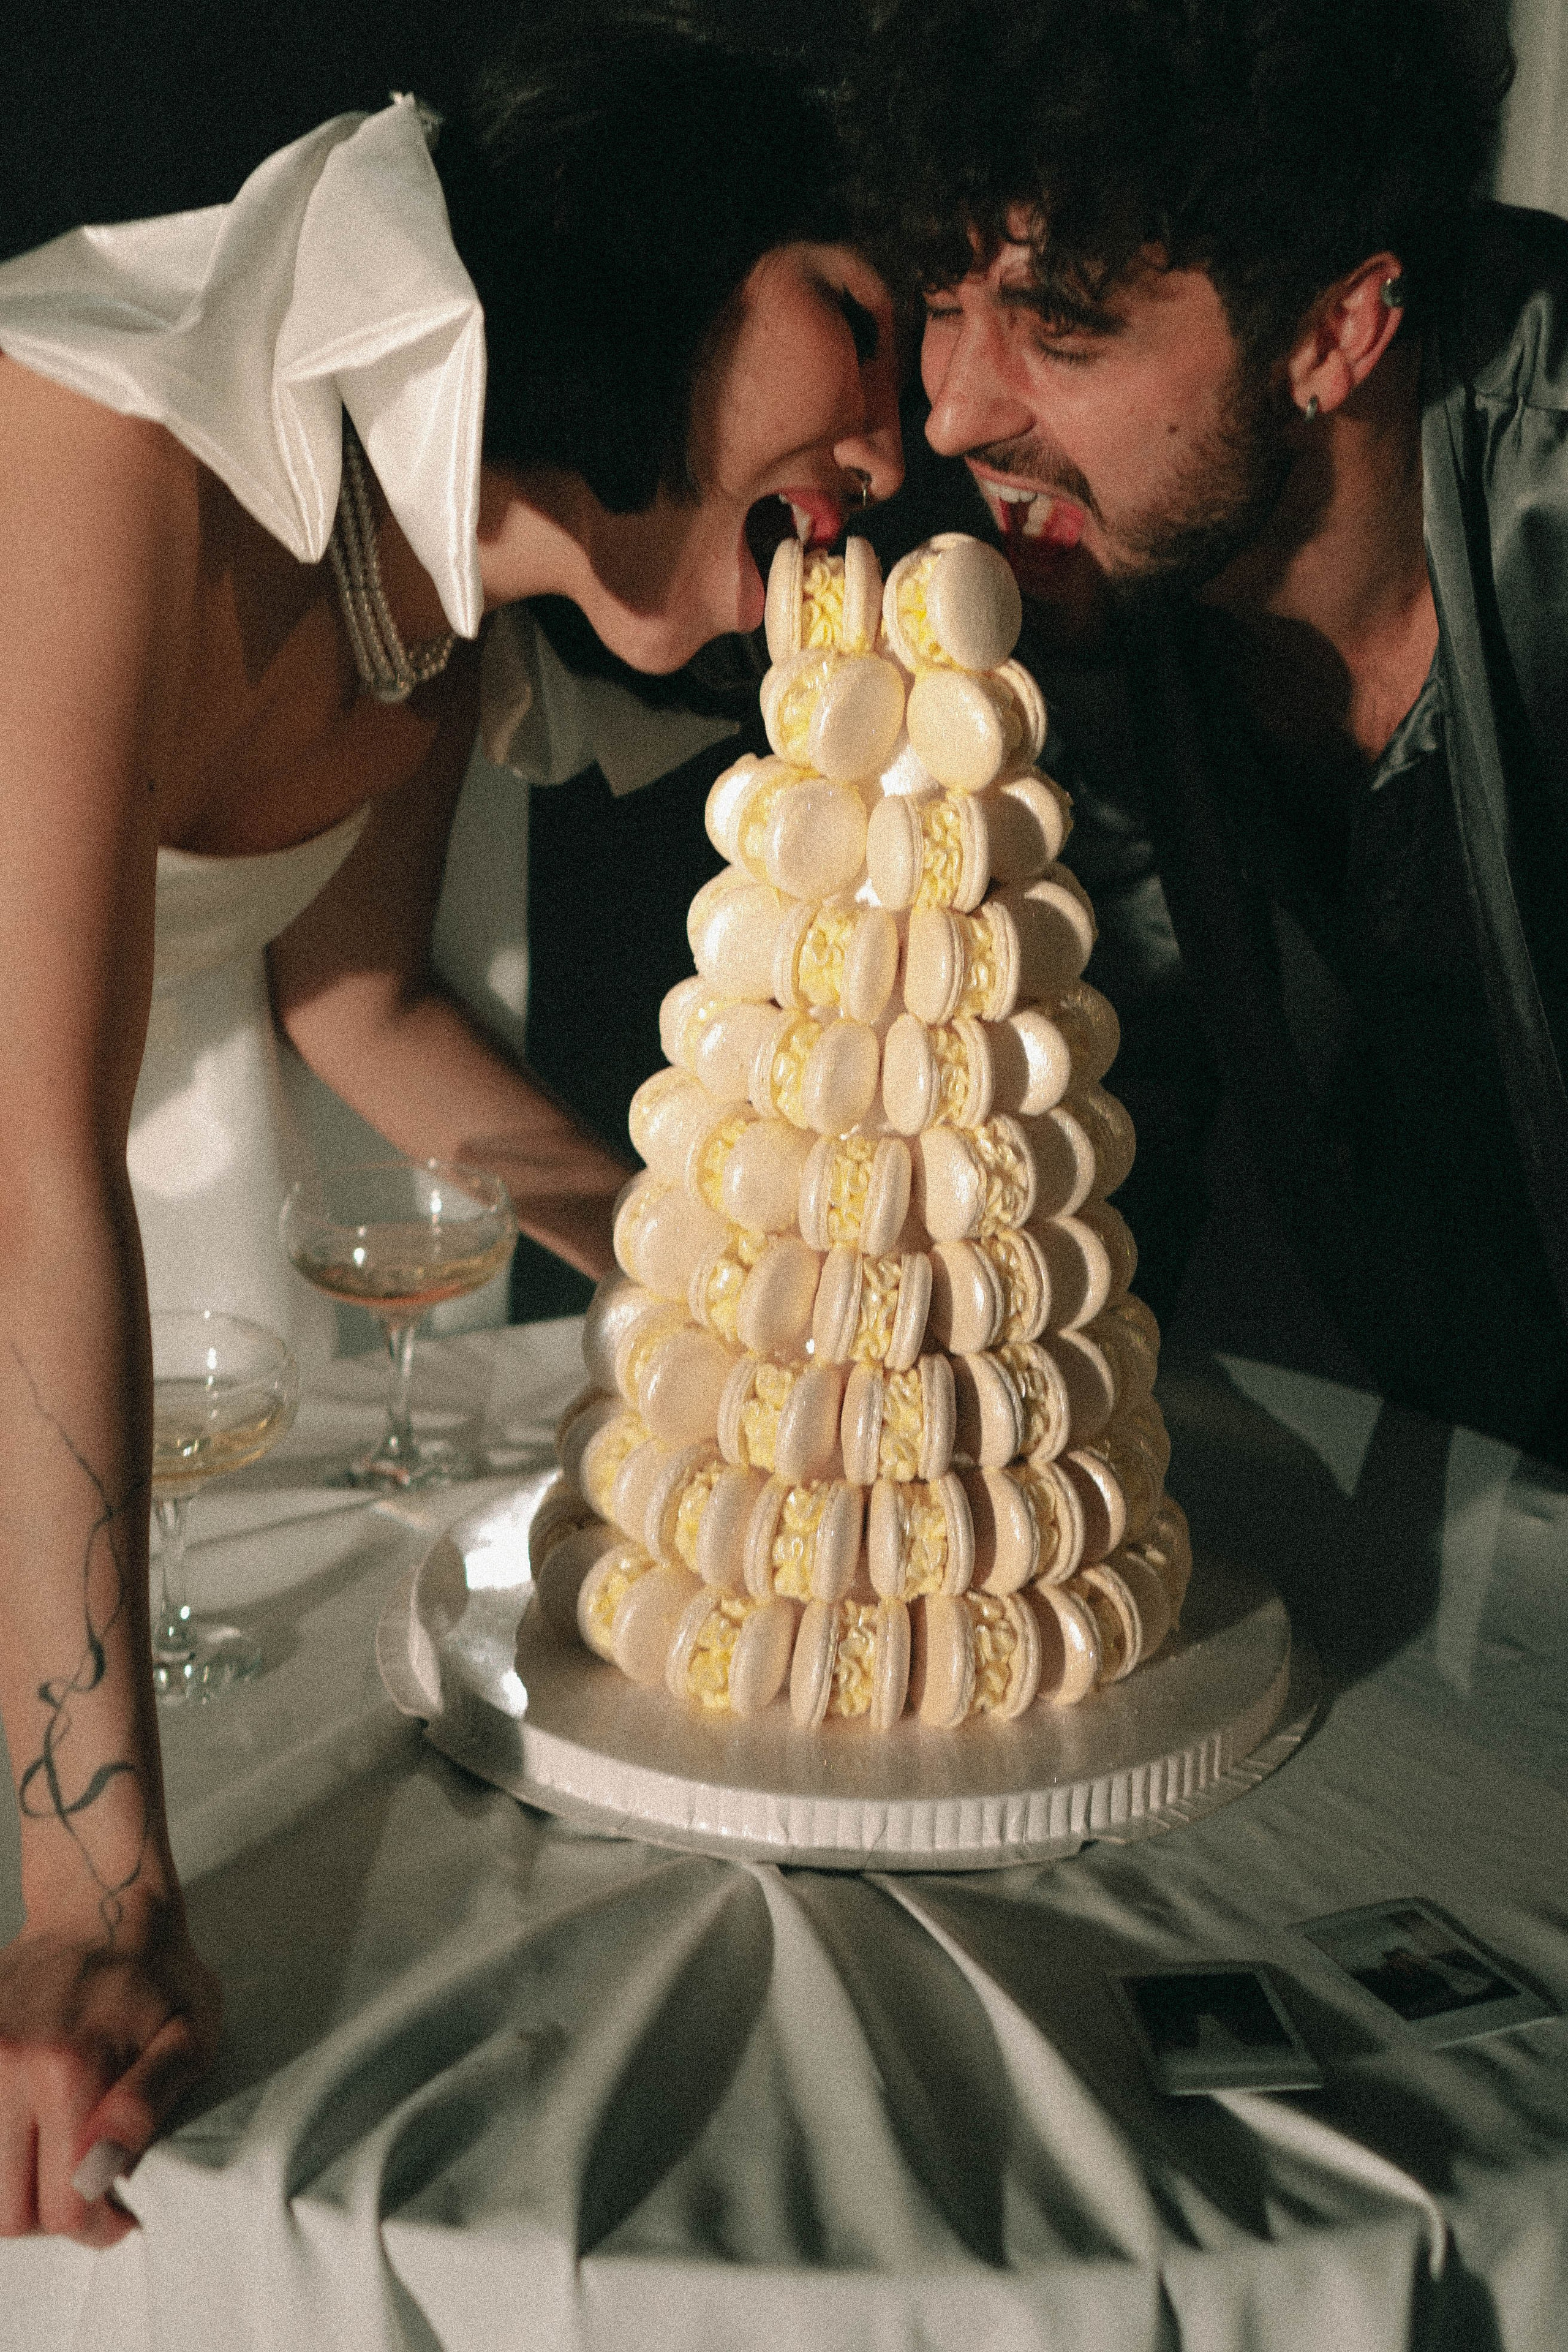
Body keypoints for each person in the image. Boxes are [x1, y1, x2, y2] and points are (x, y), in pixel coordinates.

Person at [0, 1, 900, 2244]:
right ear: (642, 249)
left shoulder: (409, 603)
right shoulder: (98, 446)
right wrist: (94, 1892)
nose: (897, 450)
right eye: (859, 310)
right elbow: (29, 1173)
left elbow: (365, 1010)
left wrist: (743, 1300)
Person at [854, 0, 1568, 1463]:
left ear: (1331, 332)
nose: (950, 414)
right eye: (941, 300)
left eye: (1057, 330)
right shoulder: (1090, 579)